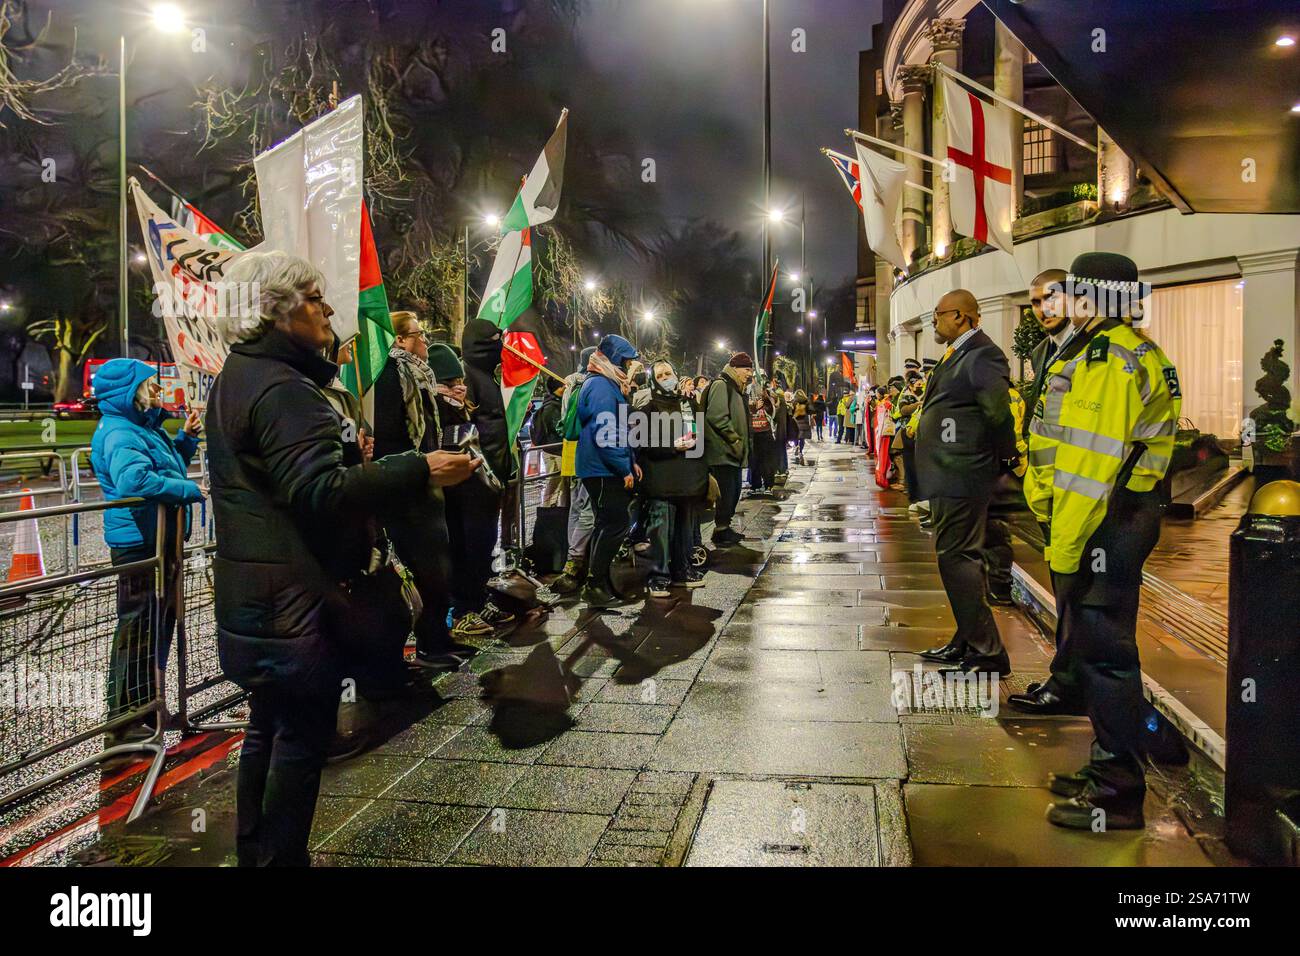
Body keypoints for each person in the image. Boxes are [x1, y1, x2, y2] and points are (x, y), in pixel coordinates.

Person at [207, 250, 479, 865]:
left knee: (267, 729)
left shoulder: (242, 376)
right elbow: (319, 493)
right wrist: (419, 467)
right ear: (276, 313)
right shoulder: (284, 390)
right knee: (301, 737)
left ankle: (259, 855)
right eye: (312, 296)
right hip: (299, 603)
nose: (328, 308)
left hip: (263, 597)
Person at [1023, 253, 1181, 830]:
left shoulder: (1107, 358)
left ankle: (1117, 793)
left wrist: (1064, 548)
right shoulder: (1121, 349)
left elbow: (1087, 470)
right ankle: (1112, 766)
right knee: (1098, 652)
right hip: (1115, 518)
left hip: (1104, 523)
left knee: (1106, 655)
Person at [90, 359, 204, 744]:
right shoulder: (121, 432)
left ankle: (146, 710)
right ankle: (123, 723)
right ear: (131, 392)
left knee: (154, 626)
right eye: (151, 386)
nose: (158, 391)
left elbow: (164, 469)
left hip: (156, 540)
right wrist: (189, 491)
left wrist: (185, 441)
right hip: (139, 543)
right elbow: (133, 480)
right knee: (138, 629)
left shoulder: (142, 428)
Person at [914, 289, 1019, 677]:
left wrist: (1003, 459)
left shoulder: (982, 354)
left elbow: (998, 414)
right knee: (955, 558)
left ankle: (988, 653)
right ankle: (966, 639)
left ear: (960, 316)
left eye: (938, 314)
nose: (934, 321)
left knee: (958, 558)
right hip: (952, 473)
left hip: (965, 474)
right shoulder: (959, 352)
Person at [372, 311, 474, 668]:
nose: (425, 339)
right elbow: (390, 435)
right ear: (399, 340)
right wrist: (415, 467)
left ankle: (438, 639)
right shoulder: (390, 376)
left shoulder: (422, 376)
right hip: (409, 487)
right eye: (419, 334)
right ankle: (426, 646)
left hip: (429, 480)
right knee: (423, 566)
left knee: (438, 565)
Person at [1007, 268, 1085, 713]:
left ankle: (1072, 683)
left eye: (1051, 298)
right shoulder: (1043, 352)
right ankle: (1067, 676)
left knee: (1084, 598)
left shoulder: (1091, 350)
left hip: (1088, 496)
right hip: (1052, 496)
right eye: (1034, 302)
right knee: (1066, 593)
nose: (1042, 309)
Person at [425, 343, 515, 640]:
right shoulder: (436, 411)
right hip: (459, 500)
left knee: (481, 550)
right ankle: (463, 611)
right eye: (450, 384)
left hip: (478, 496)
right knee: (463, 552)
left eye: (460, 382)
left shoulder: (461, 410)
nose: (459, 389)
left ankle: (477, 602)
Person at [575, 334, 641, 608]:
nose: (629, 367)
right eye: (626, 362)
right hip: (602, 468)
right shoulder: (602, 385)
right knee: (614, 523)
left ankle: (599, 582)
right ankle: (594, 584)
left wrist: (630, 460)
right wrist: (623, 466)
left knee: (608, 523)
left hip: (603, 465)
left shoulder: (606, 383)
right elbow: (607, 430)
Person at [638, 360, 709, 596]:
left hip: (688, 480)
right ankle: (658, 576)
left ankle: (682, 570)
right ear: (653, 381)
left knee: (683, 531)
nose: (666, 377)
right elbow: (642, 443)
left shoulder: (687, 403)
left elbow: (701, 433)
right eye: (660, 375)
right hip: (661, 481)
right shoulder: (648, 409)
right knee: (660, 532)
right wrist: (671, 446)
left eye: (669, 372)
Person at [551, 346, 598, 595]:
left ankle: (573, 554)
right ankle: (576, 559)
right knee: (587, 507)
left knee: (576, 506)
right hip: (586, 449)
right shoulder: (589, 385)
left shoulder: (571, 383)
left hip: (571, 448)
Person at [704, 352, 753, 546]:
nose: (750, 374)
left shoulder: (735, 388)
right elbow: (716, 416)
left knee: (733, 492)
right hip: (723, 452)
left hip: (731, 453)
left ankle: (725, 527)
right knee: (726, 493)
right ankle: (721, 531)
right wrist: (735, 440)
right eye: (747, 369)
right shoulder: (721, 385)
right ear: (735, 368)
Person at [791, 389, 812, 464]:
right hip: (804, 421)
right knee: (802, 438)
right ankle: (801, 451)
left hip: (796, 421)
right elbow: (810, 411)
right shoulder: (806, 401)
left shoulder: (794, 402)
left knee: (796, 436)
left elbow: (791, 411)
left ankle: (796, 445)